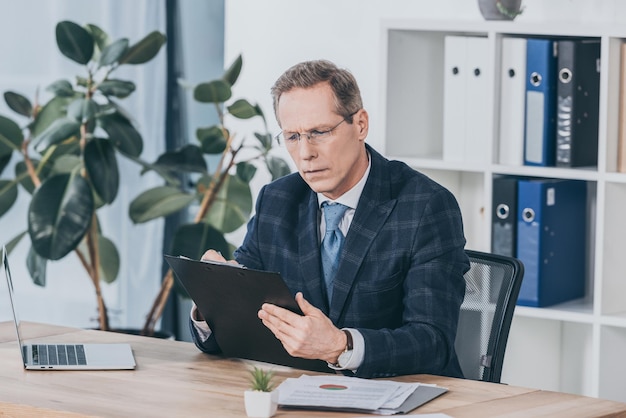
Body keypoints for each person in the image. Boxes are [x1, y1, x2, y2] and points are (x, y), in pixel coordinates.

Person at [189, 59, 469, 379]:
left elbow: (433, 341)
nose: (306, 153)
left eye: (319, 132)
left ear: (360, 124)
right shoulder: (277, 200)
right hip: (305, 394)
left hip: (404, 395)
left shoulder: (426, 206)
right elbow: (239, 330)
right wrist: (213, 299)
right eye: (292, 137)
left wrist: (340, 346)